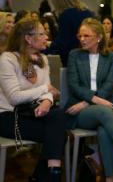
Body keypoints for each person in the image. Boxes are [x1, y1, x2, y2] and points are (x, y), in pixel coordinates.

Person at [65, 18, 113, 181]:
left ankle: (109, 178)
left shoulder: (111, 57)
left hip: (101, 105)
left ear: (99, 37)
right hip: (79, 111)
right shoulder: (74, 55)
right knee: (106, 113)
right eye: (80, 36)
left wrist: (88, 101)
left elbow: (108, 87)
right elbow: (74, 85)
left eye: (87, 36)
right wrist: (93, 101)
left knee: (105, 128)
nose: (82, 39)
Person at [0, 18, 66, 182]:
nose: (47, 38)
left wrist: (47, 101)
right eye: (42, 34)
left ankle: (49, 175)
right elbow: (15, 98)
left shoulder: (42, 59)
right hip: (8, 117)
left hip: (32, 112)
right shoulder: (8, 59)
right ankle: (49, 175)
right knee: (58, 134)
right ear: (29, 39)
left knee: (57, 116)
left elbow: (48, 91)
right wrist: (46, 91)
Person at [49, 0, 93, 66]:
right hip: (89, 57)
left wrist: (48, 47)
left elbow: (63, 43)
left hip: (74, 60)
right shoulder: (87, 12)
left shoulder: (65, 15)